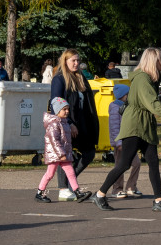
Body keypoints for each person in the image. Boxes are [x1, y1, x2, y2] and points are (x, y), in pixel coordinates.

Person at [92, 47, 161, 212]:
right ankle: (100, 194)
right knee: (124, 164)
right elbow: (152, 104)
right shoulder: (142, 79)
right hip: (135, 126)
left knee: (153, 162)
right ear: (154, 61)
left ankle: (158, 200)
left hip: (144, 126)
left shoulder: (146, 79)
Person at [49, 49, 98, 201]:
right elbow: (55, 103)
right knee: (65, 156)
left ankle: (71, 184)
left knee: (89, 153)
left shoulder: (80, 77)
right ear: (65, 62)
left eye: (77, 60)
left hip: (82, 122)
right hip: (66, 123)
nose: (76, 63)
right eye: (73, 61)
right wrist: (69, 123)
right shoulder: (59, 79)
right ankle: (63, 189)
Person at [34, 98, 83, 203]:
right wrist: (61, 154)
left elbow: (66, 140)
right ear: (57, 110)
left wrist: (67, 152)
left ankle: (77, 191)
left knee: (70, 172)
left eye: (68, 109)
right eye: (64, 109)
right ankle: (40, 192)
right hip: (56, 155)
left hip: (63, 154)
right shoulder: (54, 124)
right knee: (50, 174)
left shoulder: (64, 122)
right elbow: (54, 141)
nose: (67, 111)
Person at [108, 84, 143, 199]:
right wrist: (118, 143)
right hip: (120, 143)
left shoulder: (129, 106)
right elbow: (114, 128)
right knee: (119, 166)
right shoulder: (115, 108)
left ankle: (131, 187)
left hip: (129, 141)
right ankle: (116, 189)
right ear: (124, 95)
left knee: (136, 163)